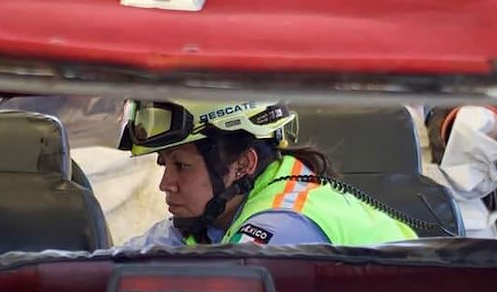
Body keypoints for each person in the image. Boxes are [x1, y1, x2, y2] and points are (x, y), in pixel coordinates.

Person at [117, 100, 417, 248]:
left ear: (243, 165)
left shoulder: (282, 226)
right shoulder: (216, 213)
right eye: (163, 164)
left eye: (181, 166)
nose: (165, 184)